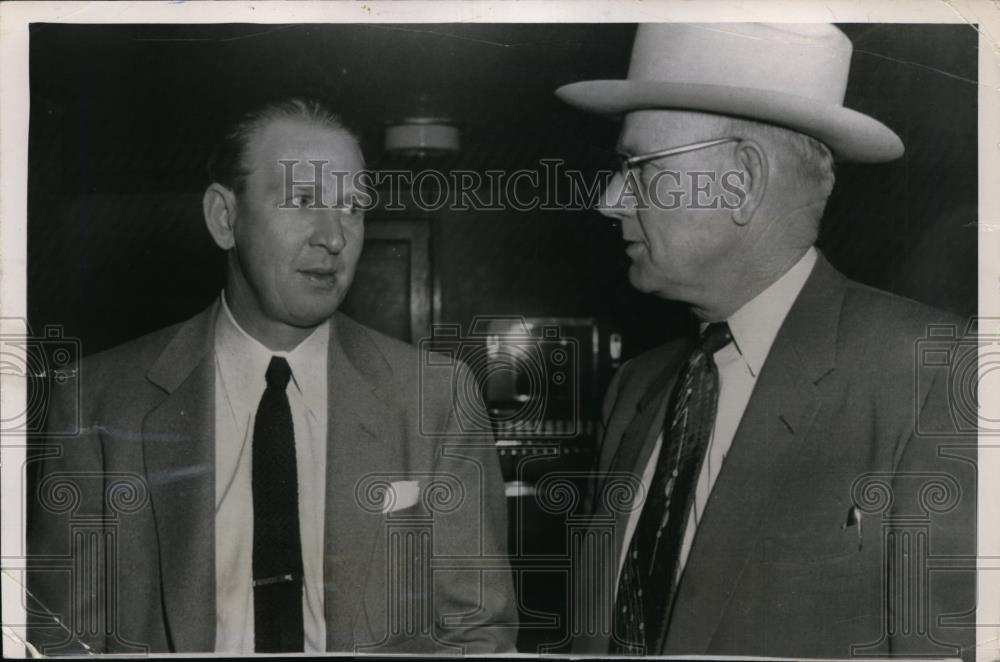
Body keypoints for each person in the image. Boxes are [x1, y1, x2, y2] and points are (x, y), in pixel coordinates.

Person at [27, 98, 515, 655]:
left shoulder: (438, 398)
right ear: (224, 218)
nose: (333, 237)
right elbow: (60, 642)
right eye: (302, 200)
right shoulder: (95, 403)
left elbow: (477, 635)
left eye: (352, 206)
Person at [556, 23, 976, 659]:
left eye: (636, 167)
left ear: (741, 181)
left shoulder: (933, 376)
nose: (611, 200)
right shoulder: (635, 390)